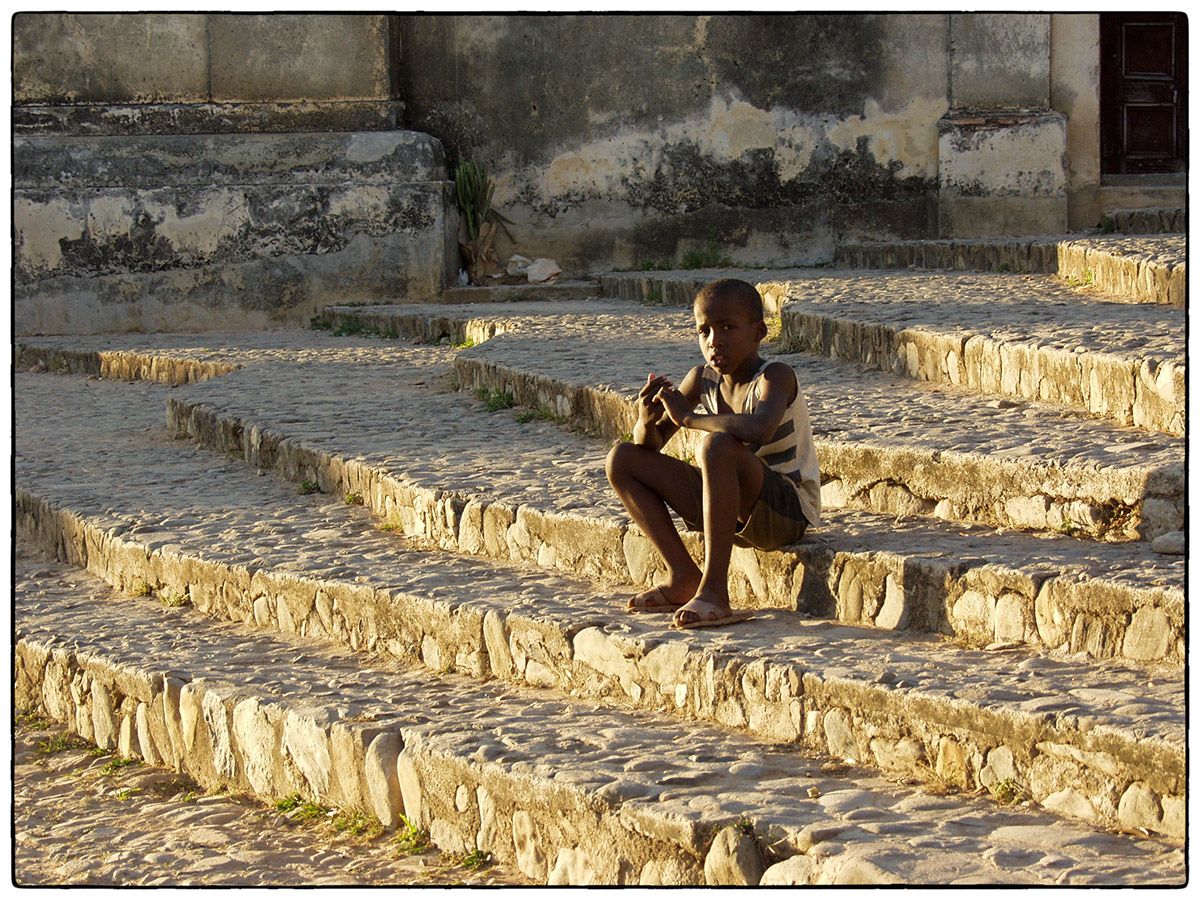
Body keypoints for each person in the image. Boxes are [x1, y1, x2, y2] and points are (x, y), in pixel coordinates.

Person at [606, 278, 821, 628]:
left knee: (717, 445)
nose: (714, 341)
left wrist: (691, 418)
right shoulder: (702, 378)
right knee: (622, 459)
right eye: (703, 331)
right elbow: (650, 447)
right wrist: (645, 421)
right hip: (729, 507)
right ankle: (682, 577)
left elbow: (759, 428)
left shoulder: (775, 377)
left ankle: (715, 592)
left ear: (759, 332)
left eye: (727, 328)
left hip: (784, 511)